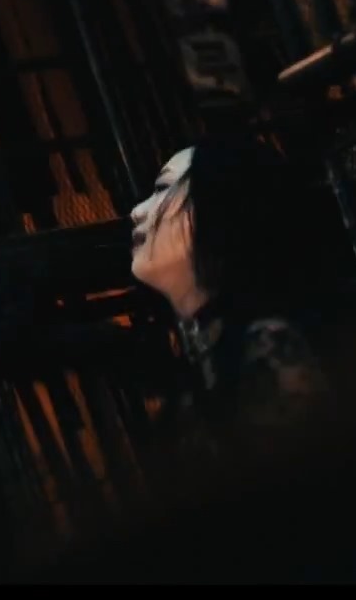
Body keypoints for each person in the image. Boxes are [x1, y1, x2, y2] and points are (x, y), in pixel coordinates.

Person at [126, 135, 334, 448]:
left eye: (161, 188)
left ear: (221, 206)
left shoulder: (267, 342)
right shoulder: (213, 347)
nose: (137, 211)